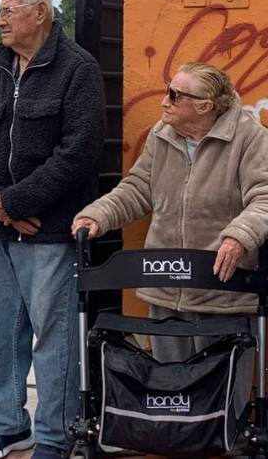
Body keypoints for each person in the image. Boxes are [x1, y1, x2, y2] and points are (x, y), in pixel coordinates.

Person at [0, 0, 105, 459]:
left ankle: (56, 434)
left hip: (50, 231)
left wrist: (20, 202)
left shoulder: (77, 69)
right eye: (0, 11)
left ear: (40, 12)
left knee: (54, 337)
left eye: (8, 10)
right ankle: (5, 424)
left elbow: (77, 153)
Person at [74, 63, 268, 367]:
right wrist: (98, 215)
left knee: (220, 394)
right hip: (164, 284)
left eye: (175, 95)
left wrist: (239, 236)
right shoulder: (162, 133)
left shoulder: (250, 138)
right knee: (171, 386)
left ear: (204, 106)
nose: (164, 101)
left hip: (221, 291)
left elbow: (264, 198)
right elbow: (138, 189)